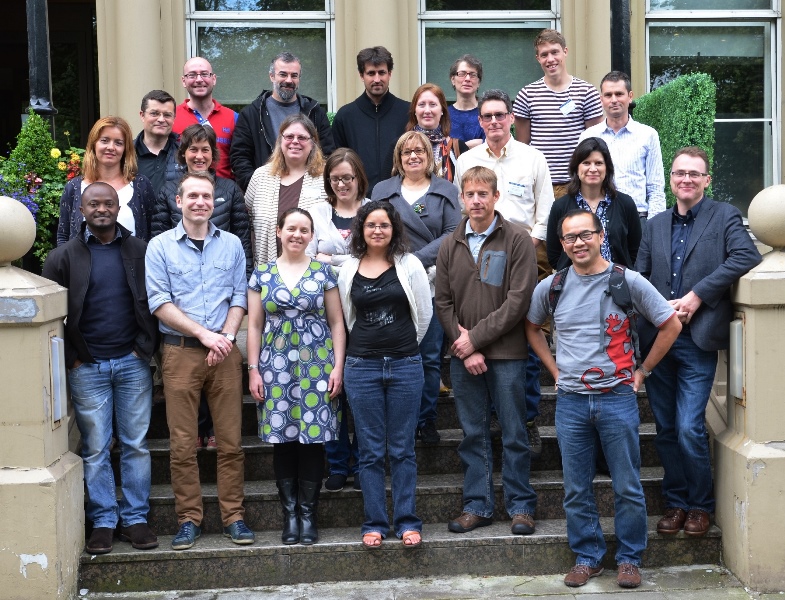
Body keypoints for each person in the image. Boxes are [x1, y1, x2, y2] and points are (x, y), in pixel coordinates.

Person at [525, 209, 681, 589]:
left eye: (585, 235)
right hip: (572, 402)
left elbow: (670, 324)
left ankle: (629, 559)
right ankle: (587, 556)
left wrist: (642, 371)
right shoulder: (553, 286)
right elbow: (531, 328)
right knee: (576, 486)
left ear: (600, 236)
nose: (578, 242)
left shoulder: (628, 281)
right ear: (562, 244)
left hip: (616, 397)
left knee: (627, 484)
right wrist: (555, 370)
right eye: (569, 238)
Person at [635, 146, 762, 538]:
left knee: (690, 427)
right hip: (658, 340)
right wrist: (661, 310)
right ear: (670, 180)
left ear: (706, 180)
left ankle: (700, 505)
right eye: (679, 173)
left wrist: (696, 296)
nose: (686, 179)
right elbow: (639, 277)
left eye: (694, 174)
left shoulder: (723, 216)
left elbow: (746, 256)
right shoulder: (653, 224)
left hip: (698, 339)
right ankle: (675, 503)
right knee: (667, 428)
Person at [43, 182, 159, 555]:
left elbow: (155, 301)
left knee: (136, 444)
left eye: (109, 203)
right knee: (95, 447)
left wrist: (145, 349)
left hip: (132, 363)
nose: (102, 209)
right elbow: (54, 318)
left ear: (118, 208)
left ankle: (136, 518)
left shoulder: (139, 250)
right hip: (87, 366)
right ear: (81, 209)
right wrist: (72, 357)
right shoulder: (61, 257)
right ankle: (105, 520)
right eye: (94, 203)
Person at [145, 171, 253, 550]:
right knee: (182, 444)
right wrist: (205, 335)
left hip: (224, 354)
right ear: (179, 201)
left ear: (214, 201)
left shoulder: (233, 245)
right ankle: (188, 519)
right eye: (192, 196)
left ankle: (233, 517)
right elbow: (159, 303)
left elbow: (240, 296)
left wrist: (224, 337)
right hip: (180, 353)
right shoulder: (159, 247)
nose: (200, 202)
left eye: (206, 196)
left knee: (230, 443)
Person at [435, 166, 538, 538]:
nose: (476, 201)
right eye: (470, 194)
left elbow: (518, 300)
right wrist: (464, 346)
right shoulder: (451, 243)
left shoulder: (517, 240)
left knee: (513, 431)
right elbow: (442, 302)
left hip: (507, 355)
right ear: (461, 199)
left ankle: (521, 506)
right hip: (464, 358)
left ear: (496, 197)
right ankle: (477, 505)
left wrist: (475, 339)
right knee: (472, 434)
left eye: (484, 194)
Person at [454, 89, 554, 457]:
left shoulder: (532, 157)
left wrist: (532, 244)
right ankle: (494, 418)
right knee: (486, 330)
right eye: (487, 116)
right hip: (479, 256)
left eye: (500, 115)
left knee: (523, 335)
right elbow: (461, 207)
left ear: (511, 118)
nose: (494, 122)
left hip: (524, 256)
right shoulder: (467, 160)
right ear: (479, 121)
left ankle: (525, 420)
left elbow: (546, 207)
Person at [247, 207, 346, 546]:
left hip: (317, 364)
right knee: (283, 441)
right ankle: (290, 514)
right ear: (278, 231)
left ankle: (308, 514)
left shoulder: (324, 273)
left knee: (313, 440)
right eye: (291, 228)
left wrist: (338, 367)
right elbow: (255, 325)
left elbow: (336, 322)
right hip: (275, 364)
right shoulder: (261, 273)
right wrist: (253, 369)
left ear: (310, 235)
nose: (297, 235)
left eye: (304, 230)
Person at [338, 200, 431, 550]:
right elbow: (346, 318)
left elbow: (423, 314)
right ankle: (375, 522)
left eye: (385, 225)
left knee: (403, 449)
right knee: (371, 451)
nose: (378, 230)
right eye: (371, 224)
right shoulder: (348, 268)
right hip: (362, 368)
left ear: (394, 229)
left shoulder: (410, 265)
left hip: (406, 365)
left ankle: (407, 521)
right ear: (362, 229)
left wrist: (404, 347)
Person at [371, 131, 462, 445]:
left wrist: (413, 260)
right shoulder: (382, 190)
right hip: (389, 282)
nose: (413, 156)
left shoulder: (446, 190)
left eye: (419, 151)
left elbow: (453, 233)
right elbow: (374, 228)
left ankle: (426, 420)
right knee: (391, 355)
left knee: (429, 356)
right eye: (407, 151)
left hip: (433, 282)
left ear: (430, 156)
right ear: (398, 157)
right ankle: (394, 422)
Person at [306, 148, 370, 491]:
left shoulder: (373, 209)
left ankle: (361, 464)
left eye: (348, 177)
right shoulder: (316, 213)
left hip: (365, 314)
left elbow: (376, 256)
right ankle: (337, 464)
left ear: (359, 177)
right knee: (331, 391)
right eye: (335, 178)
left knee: (359, 391)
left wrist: (332, 258)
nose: (342, 184)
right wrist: (349, 259)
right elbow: (310, 260)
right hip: (325, 315)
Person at [152, 123, 252, 280]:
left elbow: (243, 241)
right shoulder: (169, 191)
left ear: (213, 154)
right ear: (183, 153)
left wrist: (246, 282)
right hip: (180, 277)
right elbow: (158, 240)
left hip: (222, 276)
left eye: (205, 150)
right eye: (193, 149)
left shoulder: (230, 189)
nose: (199, 156)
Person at [513, 28, 604, 198]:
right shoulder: (527, 94)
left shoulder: (586, 91)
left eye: (555, 52)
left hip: (578, 184)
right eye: (544, 54)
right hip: (541, 184)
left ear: (565, 52)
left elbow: (596, 143)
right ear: (538, 58)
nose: (550, 59)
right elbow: (522, 147)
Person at [231, 51, 335, 192]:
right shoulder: (252, 114)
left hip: (308, 193)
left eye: (294, 75)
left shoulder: (315, 113)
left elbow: (327, 154)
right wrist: (256, 188)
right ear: (272, 76)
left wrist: (317, 187)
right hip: (264, 193)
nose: (289, 80)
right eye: (283, 74)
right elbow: (240, 157)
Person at [579, 71, 666, 225]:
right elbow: (580, 182)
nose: (614, 100)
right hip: (597, 218)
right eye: (608, 95)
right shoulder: (588, 136)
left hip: (638, 218)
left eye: (619, 94)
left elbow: (656, 188)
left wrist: (654, 227)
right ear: (601, 99)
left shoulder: (648, 135)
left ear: (630, 96)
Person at [245, 113, 329, 267]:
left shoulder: (326, 178)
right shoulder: (260, 176)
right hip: (265, 271)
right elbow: (247, 221)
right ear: (280, 141)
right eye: (289, 136)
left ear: (313, 143)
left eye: (302, 137)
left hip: (311, 273)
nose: (295, 142)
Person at [546, 137, 641, 271]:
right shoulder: (560, 207)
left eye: (598, 163)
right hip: (575, 286)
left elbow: (635, 250)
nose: (592, 169)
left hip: (617, 284)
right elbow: (554, 255)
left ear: (607, 168)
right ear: (576, 168)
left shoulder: (625, 204)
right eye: (586, 163)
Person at [57, 116, 156, 245]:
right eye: (104, 140)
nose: (111, 147)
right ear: (94, 144)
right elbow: (63, 236)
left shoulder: (141, 185)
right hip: (83, 265)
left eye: (118, 143)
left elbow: (153, 233)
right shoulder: (74, 187)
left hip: (131, 264)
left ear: (126, 149)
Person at [332, 46, 410, 190]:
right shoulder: (345, 116)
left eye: (382, 73)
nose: (377, 79)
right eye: (371, 73)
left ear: (390, 74)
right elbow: (337, 163)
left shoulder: (408, 112)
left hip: (399, 197)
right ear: (361, 75)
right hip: (358, 198)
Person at [172, 57, 238, 180]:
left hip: (225, 195)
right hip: (183, 193)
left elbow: (241, 159)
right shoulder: (172, 117)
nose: (199, 79)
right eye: (192, 75)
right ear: (183, 81)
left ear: (213, 79)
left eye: (204, 74)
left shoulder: (233, 118)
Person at [406, 83, 468, 182]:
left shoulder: (458, 148)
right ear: (415, 110)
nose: (427, 110)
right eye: (422, 105)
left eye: (432, 104)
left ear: (442, 110)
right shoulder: (401, 146)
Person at [134, 89, 181, 195]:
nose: (161, 119)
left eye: (167, 115)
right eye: (154, 113)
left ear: (174, 118)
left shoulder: (185, 154)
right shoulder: (126, 153)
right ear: (142, 115)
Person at [447, 54, 485, 148]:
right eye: (462, 74)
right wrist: (473, 144)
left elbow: (492, 144)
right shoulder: (444, 115)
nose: (467, 79)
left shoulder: (486, 113)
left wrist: (454, 146)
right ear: (453, 80)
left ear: (478, 82)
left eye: (473, 75)